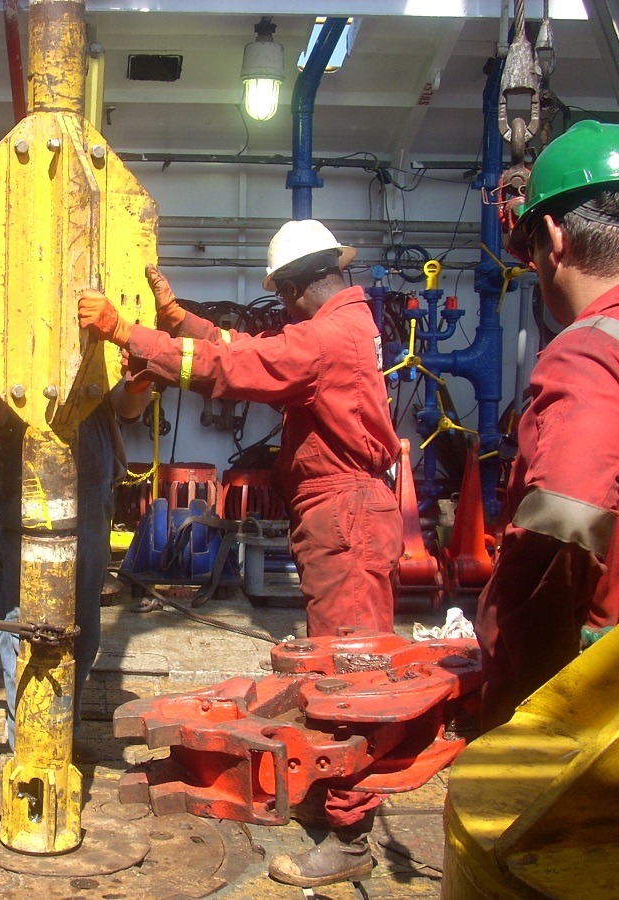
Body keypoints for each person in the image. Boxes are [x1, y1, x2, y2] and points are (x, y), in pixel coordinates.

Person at [78, 222, 402, 889]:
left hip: (345, 515)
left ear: (294, 288)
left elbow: (237, 368)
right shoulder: (342, 324)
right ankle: (330, 796)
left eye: (282, 297)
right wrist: (181, 323)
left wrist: (126, 334)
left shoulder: (328, 337)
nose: (282, 309)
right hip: (339, 513)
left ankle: (350, 836)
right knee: (331, 666)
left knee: (349, 677)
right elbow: (254, 350)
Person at [476, 120, 619, 732]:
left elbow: (565, 520)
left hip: (608, 700)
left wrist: (528, 685)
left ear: (554, 238)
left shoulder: (594, 350)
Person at [0, 367, 151, 757]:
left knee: (83, 627)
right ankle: (25, 741)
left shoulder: (100, 339)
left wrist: (141, 374)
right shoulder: (6, 338)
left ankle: (65, 730)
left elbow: (129, 408)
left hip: (91, 499)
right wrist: (4, 376)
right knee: (21, 626)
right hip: (23, 498)